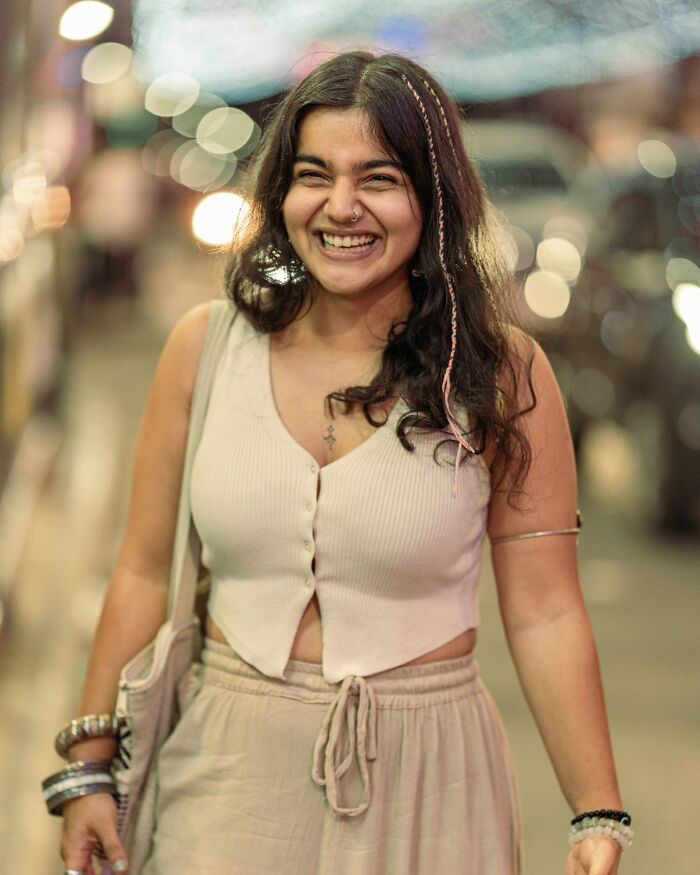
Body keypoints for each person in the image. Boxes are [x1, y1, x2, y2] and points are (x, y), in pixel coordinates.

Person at [52, 51, 629, 875]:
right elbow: (143, 573)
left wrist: (595, 811)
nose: (341, 207)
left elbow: (545, 611)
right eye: (314, 174)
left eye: (380, 178)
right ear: (282, 192)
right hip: (224, 768)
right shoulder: (204, 348)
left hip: (431, 777)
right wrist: (88, 769)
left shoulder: (501, 371)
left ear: (431, 199)